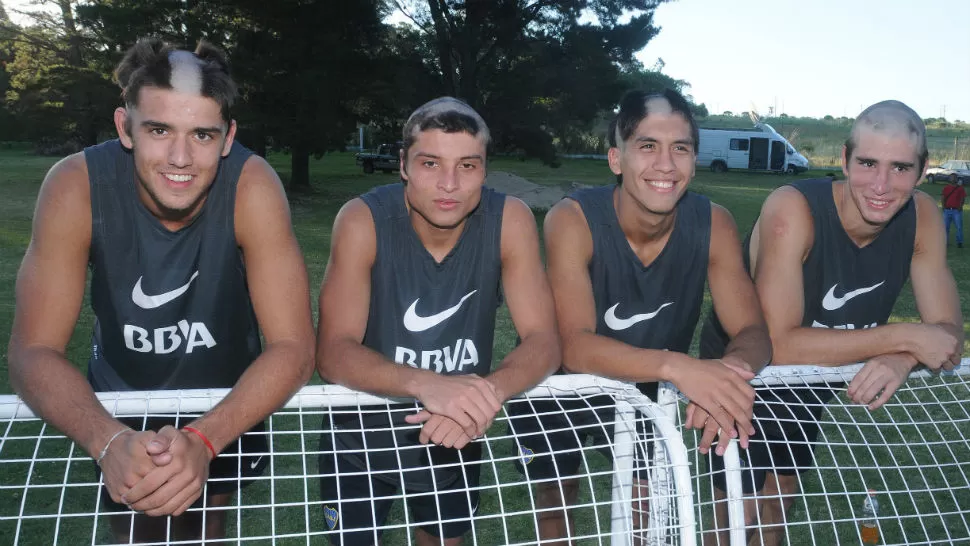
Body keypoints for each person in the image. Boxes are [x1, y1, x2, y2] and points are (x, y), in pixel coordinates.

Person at [7, 38, 315, 543]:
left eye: (201, 135)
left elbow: (296, 346)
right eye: (158, 129)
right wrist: (107, 441)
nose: (180, 157)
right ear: (124, 127)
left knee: (208, 522)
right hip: (121, 399)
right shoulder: (75, 186)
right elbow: (31, 350)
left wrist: (203, 438)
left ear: (228, 137)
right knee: (134, 525)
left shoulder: (252, 186)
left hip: (229, 393)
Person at [508, 88, 772, 545]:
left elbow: (753, 331)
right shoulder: (572, 219)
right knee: (555, 517)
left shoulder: (714, 223)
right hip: (558, 387)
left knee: (646, 520)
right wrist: (681, 367)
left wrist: (728, 378)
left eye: (681, 149)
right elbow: (574, 344)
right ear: (616, 159)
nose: (666, 165)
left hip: (646, 385)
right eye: (648, 147)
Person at [700, 100, 964, 546]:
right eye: (867, 163)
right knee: (735, 517)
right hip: (743, 368)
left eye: (900, 168)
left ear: (922, 173)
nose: (881, 185)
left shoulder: (923, 219)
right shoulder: (793, 208)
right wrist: (904, 336)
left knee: (777, 506)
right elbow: (775, 345)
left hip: (815, 372)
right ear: (844, 160)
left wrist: (902, 359)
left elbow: (947, 337)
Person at [315, 96, 560, 546]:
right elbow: (333, 351)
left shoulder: (509, 220)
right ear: (404, 164)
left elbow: (544, 339)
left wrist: (481, 397)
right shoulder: (363, 219)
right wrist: (431, 385)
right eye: (431, 163)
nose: (449, 184)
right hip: (359, 441)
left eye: (467, 166)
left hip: (455, 432)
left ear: (485, 170)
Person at [942, 176, 965, 248]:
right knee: (945, 227)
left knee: (959, 227)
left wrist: (960, 206)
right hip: (947, 210)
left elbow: (962, 198)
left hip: (956, 210)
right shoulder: (946, 188)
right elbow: (943, 197)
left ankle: (959, 242)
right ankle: (945, 242)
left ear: (957, 179)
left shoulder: (960, 188)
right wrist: (943, 206)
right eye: (952, 178)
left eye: (954, 178)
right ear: (949, 179)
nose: (953, 179)